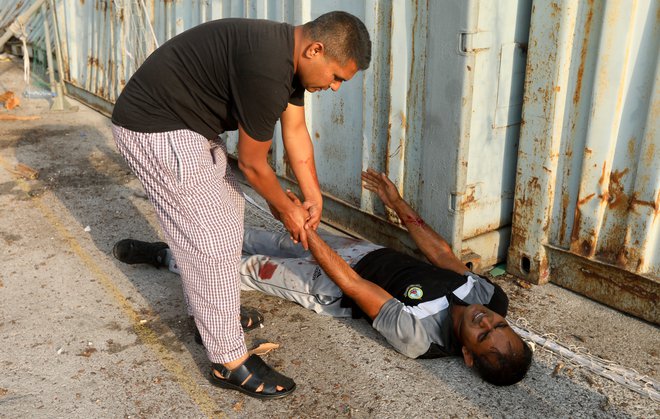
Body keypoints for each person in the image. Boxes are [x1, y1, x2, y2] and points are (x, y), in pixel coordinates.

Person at [110, 11, 371, 399]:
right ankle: (227, 360)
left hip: (187, 126)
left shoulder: (289, 58)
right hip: (155, 127)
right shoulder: (268, 69)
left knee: (230, 213)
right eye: (337, 77)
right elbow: (252, 162)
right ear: (316, 49)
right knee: (210, 237)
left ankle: (213, 317)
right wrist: (287, 210)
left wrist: (312, 196)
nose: (335, 87)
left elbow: (296, 132)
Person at [114, 170, 533, 386]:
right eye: (498, 324)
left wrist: (308, 234)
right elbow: (440, 253)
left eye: (483, 335)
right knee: (253, 235)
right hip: (364, 253)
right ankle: (187, 220)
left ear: (467, 356)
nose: (486, 319)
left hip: (329, 285)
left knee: (237, 269)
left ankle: (163, 255)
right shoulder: (490, 297)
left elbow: (354, 286)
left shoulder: (421, 337)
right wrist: (396, 202)